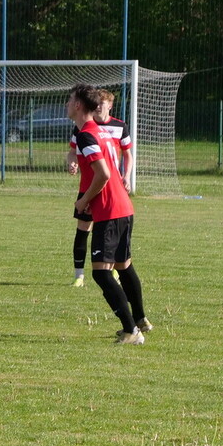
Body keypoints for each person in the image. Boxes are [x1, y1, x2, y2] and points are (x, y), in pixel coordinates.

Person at [68, 85, 149, 345]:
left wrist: (84, 200)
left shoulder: (87, 135)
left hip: (111, 210)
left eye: (70, 100)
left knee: (101, 273)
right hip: (122, 207)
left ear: (78, 105)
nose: (67, 104)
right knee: (123, 266)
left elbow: (103, 174)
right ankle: (139, 320)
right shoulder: (100, 131)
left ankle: (130, 330)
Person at [65, 88, 133, 286]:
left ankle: (111, 271)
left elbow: (125, 156)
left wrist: (127, 176)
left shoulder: (117, 127)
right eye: (97, 103)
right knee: (83, 230)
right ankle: (79, 275)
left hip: (108, 189)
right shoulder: (83, 129)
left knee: (108, 237)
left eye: (103, 103)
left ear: (110, 105)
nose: (99, 107)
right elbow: (72, 151)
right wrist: (72, 162)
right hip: (90, 186)